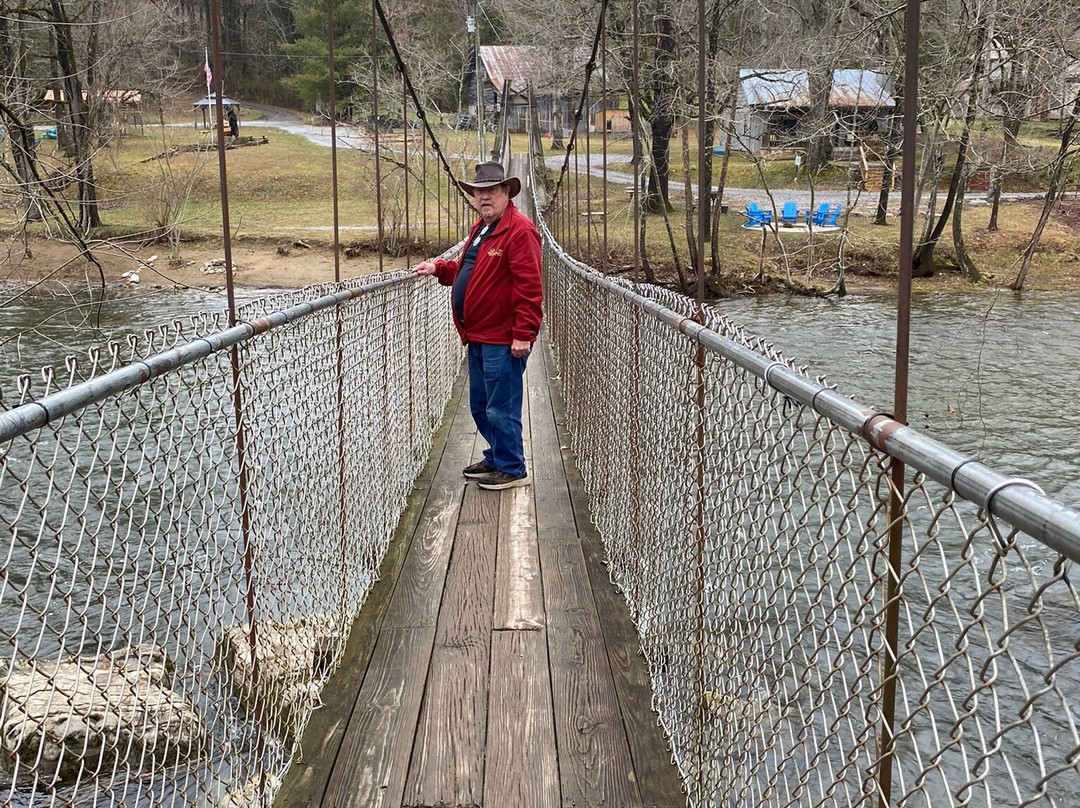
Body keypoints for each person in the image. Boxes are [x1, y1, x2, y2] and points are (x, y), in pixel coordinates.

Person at [415, 161, 542, 491]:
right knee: (481, 405)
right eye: (479, 191)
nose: (484, 197)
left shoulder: (520, 230)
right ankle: (498, 456)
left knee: (501, 407)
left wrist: (523, 334)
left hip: (503, 337)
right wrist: (440, 268)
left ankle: (512, 468)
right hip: (478, 334)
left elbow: (530, 287)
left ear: (505, 193)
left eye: (491, 191)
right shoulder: (483, 227)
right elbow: (469, 268)